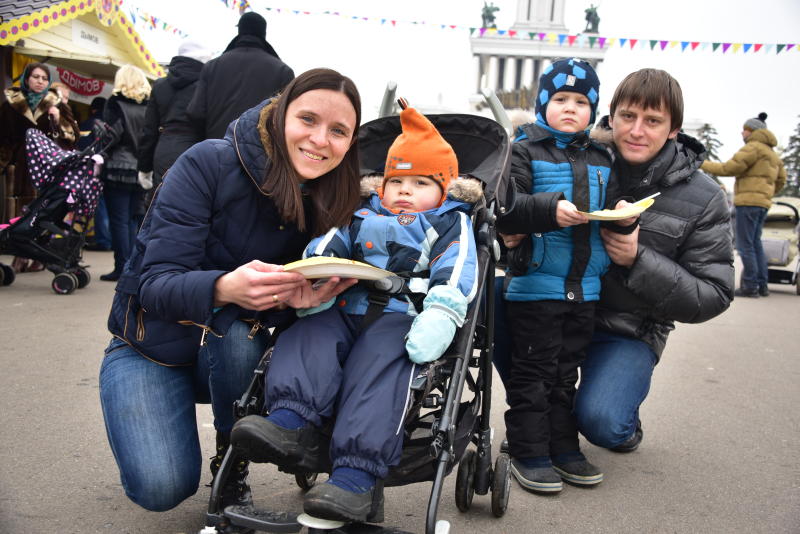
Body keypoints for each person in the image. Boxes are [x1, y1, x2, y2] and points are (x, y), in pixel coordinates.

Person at [99, 68, 362, 517]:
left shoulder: (334, 197)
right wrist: (224, 287)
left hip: (230, 350)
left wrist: (294, 303)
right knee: (160, 489)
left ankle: (230, 469)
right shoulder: (208, 162)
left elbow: (292, 311)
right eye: (308, 120)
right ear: (280, 115)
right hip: (151, 345)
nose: (321, 139)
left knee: (241, 334)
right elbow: (154, 283)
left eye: (338, 131)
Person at [231, 102, 480, 523]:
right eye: (397, 180)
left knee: (382, 364)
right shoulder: (361, 213)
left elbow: (457, 270)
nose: (405, 190)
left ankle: (355, 478)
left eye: (421, 182)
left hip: (403, 316)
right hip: (344, 302)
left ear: (444, 190)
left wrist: (441, 313)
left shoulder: (449, 222)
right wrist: (317, 268)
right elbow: (329, 245)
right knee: (307, 335)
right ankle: (290, 421)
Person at [496, 68, 734, 459]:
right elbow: (509, 212)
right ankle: (535, 417)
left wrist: (637, 260)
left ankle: (614, 416)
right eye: (628, 117)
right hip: (556, 301)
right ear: (610, 114)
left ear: (673, 128)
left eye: (653, 121)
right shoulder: (573, 152)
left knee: (604, 422)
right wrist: (510, 238)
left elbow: (715, 293)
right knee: (495, 296)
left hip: (625, 329)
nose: (637, 131)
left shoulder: (703, 197)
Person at [495, 58, 611, 493]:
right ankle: (529, 451)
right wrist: (550, 209)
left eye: (581, 101)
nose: (569, 108)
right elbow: (508, 205)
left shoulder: (603, 156)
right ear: (543, 102)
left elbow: (618, 205)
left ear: (593, 110)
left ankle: (564, 447)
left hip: (585, 288)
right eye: (560, 99)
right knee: (534, 374)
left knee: (566, 375)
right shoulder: (524, 149)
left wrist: (622, 214)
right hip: (537, 287)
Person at [0, 62, 80, 272]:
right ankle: (19, 254)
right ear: (27, 79)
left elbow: (73, 134)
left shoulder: (56, 103)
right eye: (35, 77)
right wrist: (5, 161)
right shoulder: (10, 103)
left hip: (46, 167)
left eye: (44, 78)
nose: (40, 81)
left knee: (43, 211)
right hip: (17, 167)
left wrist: (57, 118)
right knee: (18, 211)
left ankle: (38, 254)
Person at [701, 112, 787, 298]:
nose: (742, 133)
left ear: (752, 131)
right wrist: (767, 194)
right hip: (763, 204)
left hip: (748, 203)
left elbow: (728, 168)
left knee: (745, 245)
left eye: (745, 130)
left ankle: (749, 286)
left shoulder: (753, 148)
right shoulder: (772, 154)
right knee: (756, 244)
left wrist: (700, 163)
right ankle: (762, 285)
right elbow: (782, 180)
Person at [186, 11, 294, 140]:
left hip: (216, 148)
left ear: (240, 30)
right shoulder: (282, 71)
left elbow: (195, 112)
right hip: (260, 153)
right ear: (263, 33)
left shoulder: (212, 66)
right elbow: (285, 118)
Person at [137, 39, 211, 204]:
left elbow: (148, 130)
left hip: (163, 148)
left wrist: (144, 166)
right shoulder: (206, 85)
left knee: (160, 204)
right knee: (191, 205)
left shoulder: (160, 85)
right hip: (195, 148)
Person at [98, 64, 151, 281]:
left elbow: (112, 136)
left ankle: (122, 267)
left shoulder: (114, 104)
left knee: (119, 219)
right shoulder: (150, 106)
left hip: (118, 167)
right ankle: (133, 267)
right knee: (133, 219)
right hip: (141, 169)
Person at [78, 96, 113, 251]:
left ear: (92, 109)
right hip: (112, 168)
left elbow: (82, 146)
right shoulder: (111, 123)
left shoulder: (88, 124)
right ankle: (111, 239)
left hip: (93, 169)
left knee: (99, 205)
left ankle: (103, 240)